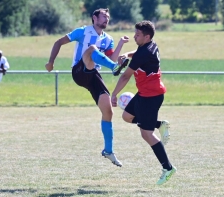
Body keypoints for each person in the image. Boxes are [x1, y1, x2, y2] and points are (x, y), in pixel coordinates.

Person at [45, 8, 130, 167]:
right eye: (103, 16)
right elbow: (58, 42)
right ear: (94, 17)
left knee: (108, 111)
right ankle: (114, 69)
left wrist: (120, 44)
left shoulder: (108, 39)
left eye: (108, 17)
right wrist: (51, 62)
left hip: (93, 75)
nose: (106, 19)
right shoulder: (83, 31)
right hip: (79, 72)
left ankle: (108, 151)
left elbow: (110, 58)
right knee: (91, 50)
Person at [111, 20, 176, 185]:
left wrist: (114, 94)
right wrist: (128, 54)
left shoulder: (143, 53)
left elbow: (125, 76)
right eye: (135, 33)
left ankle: (168, 168)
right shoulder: (151, 45)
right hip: (144, 93)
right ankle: (159, 124)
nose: (135, 36)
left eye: (138, 35)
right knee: (127, 116)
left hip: (151, 96)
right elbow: (138, 51)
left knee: (146, 134)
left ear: (146, 36)